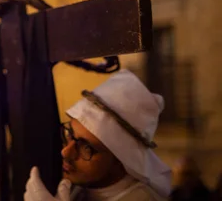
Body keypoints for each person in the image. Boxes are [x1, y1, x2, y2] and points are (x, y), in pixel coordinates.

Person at [24, 69, 171, 201]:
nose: (66, 152)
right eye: (70, 134)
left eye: (86, 147)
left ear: (121, 159)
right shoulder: (83, 188)